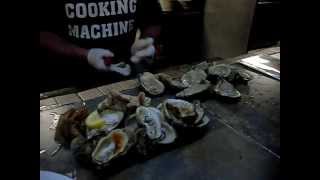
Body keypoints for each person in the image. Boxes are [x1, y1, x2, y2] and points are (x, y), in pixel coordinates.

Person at [40, 0, 162, 91]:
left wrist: (147, 40)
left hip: (125, 73)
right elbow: (44, 34)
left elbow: (153, 19)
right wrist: (85, 54)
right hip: (72, 81)